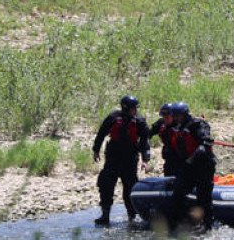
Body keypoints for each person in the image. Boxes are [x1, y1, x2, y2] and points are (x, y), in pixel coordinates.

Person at [92, 95, 150, 226]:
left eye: (136, 108)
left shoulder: (139, 120)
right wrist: (96, 150)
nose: (135, 110)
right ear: (126, 108)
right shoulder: (113, 117)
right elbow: (101, 134)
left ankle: (132, 216)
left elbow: (145, 141)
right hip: (113, 157)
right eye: (133, 108)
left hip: (130, 158)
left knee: (130, 187)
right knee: (106, 185)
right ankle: (105, 215)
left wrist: (145, 160)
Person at [163, 102, 217, 232]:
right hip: (189, 166)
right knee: (178, 192)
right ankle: (181, 221)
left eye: (178, 116)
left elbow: (205, 143)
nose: (176, 118)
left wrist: (191, 159)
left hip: (204, 165)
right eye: (174, 116)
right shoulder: (176, 126)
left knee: (204, 197)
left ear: (185, 114)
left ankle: (207, 226)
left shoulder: (198, 125)